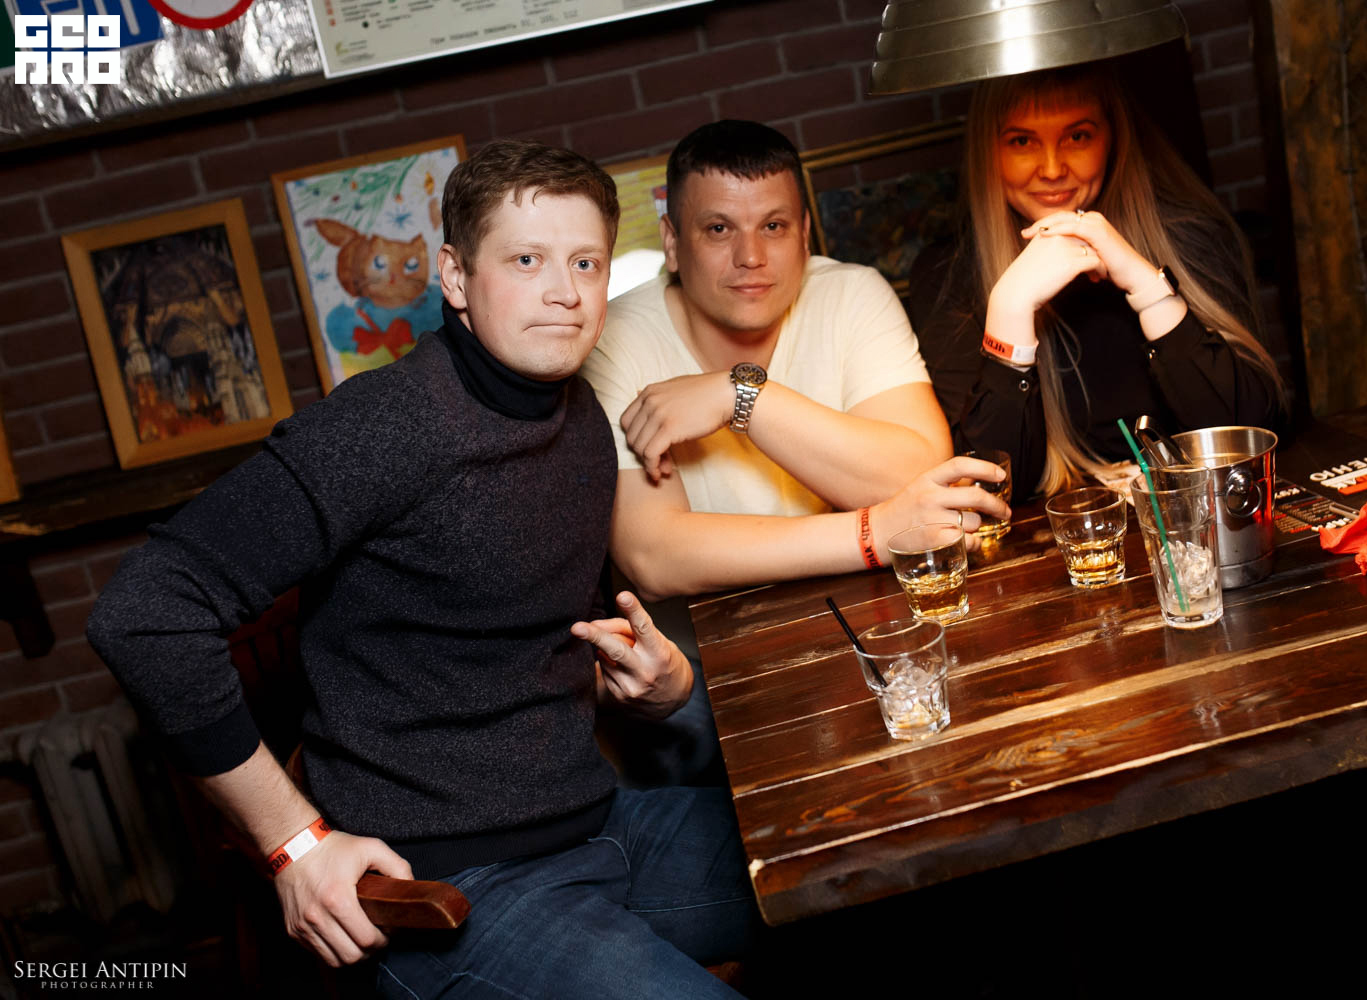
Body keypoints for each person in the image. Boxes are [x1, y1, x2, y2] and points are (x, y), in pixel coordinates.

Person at [86, 140, 758, 999]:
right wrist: (294, 842)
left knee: (861, 863)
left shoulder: (577, 415)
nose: (565, 291)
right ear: (454, 276)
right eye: (527, 260)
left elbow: (511, 632)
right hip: (454, 888)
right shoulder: (384, 428)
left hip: (604, 823)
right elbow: (144, 614)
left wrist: (657, 684)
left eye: (585, 262)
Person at [580, 121, 1006, 787]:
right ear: (672, 241)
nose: (751, 256)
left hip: (871, 640)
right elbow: (655, 557)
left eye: (773, 226)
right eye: (718, 229)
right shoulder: (615, 338)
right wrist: (874, 532)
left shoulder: (852, 293)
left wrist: (743, 397)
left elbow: (915, 473)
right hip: (703, 685)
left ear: (806, 235)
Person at [909, 64, 1286, 502]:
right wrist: (1011, 308)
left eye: (1077, 136)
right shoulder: (947, 273)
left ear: (1113, 137)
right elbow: (990, 489)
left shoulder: (1192, 235)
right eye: (1022, 141)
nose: (1052, 169)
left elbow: (1252, 438)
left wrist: (1149, 291)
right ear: (987, 151)